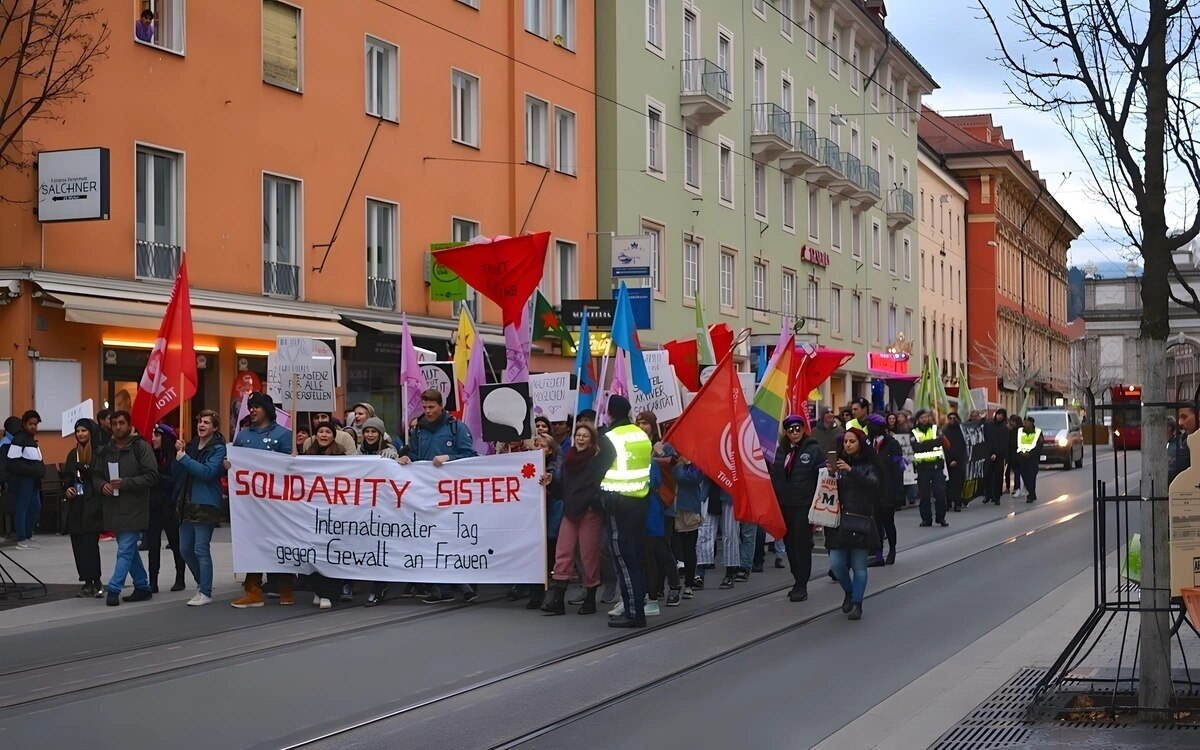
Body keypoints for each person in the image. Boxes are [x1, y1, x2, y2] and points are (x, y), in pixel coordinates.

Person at [402, 389, 479, 604]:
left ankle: (460, 583)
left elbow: (470, 456)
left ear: (441, 406)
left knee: (452, 538)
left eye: (431, 407)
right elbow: (417, 455)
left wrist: (449, 457)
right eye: (424, 407)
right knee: (432, 538)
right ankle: (444, 587)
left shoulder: (456, 428)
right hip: (427, 493)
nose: (427, 411)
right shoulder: (418, 430)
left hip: (452, 494)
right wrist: (408, 458)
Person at [230, 392, 295, 608]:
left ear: (267, 409)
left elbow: (290, 468)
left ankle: (285, 586)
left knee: (278, 542)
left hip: (276, 503)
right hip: (249, 502)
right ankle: (253, 589)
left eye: (257, 406)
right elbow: (236, 464)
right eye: (250, 407)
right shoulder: (243, 436)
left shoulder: (285, 435)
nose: (252, 410)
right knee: (252, 543)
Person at [597, 395, 653, 628]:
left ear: (610, 413)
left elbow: (597, 471)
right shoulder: (641, 435)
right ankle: (635, 607)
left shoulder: (610, 437)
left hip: (617, 504)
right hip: (640, 501)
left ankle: (634, 612)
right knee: (635, 559)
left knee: (624, 560)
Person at [95, 411, 159, 606]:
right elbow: (96, 474)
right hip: (113, 506)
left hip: (135, 507)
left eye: (121, 423)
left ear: (129, 424)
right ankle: (142, 586)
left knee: (124, 550)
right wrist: (101, 485)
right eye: (114, 423)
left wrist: (126, 483)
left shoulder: (141, 447)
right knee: (128, 549)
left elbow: (152, 476)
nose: (118, 427)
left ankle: (114, 589)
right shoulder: (106, 449)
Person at [544, 423, 605, 615]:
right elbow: (562, 490)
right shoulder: (568, 460)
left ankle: (590, 599)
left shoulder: (596, 461)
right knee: (563, 553)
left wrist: (595, 502)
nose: (580, 438)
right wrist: (551, 483)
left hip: (589, 512)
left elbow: (602, 486)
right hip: (570, 511)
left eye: (585, 436)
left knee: (588, 556)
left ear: (592, 440)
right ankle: (558, 600)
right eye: (578, 435)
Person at [826, 428, 880, 621]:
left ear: (860, 444)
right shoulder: (838, 463)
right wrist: (829, 474)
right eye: (846, 442)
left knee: (859, 566)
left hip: (860, 519)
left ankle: (857, 603)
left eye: (852, 441)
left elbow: (874, 485)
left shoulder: (868, 465)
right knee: (837, 564)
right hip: (838, 521)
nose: (847, 445)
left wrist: (851, 471)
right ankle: (849, 591)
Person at [173, 410, 226, 606]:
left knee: (200, 548)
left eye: (206, 422)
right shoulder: (193, 443)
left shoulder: (218, 448)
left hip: (205, 503)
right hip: (186, 502)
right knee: (185, 549)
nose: (201, 425)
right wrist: (179, 453)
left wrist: (185, 458)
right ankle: (200, 583)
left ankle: (205, 591)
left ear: (214, 427)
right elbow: (178, 470)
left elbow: (207, 473)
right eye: (200, 422)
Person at [770, 415, 822, 602]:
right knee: (790, 544)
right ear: (786, 432)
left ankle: (802, 584)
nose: (795, 432)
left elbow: (822, 474)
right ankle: (796, 578)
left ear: (803, 430)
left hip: (804, 504)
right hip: (785, 504)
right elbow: (775, 475)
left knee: (802, 544)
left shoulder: (813, 449)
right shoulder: (781, 451)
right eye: (791, 429)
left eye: (798, 428)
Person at [636, 411, 679, 612]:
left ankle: (675, 586)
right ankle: (653, 590)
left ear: (653, 425)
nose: (642, 426)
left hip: (663, 505)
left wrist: (660, 453)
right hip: (644, 506)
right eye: (638, 423)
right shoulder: (636, 446)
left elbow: (674, 471)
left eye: (645, 423)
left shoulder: (665, 445)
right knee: (648, 552)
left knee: (662, 549)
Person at [63, 418, 104, 597]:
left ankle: (96, 580)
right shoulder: (73, 454)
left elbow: (99, 475)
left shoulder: (99, 452)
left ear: (91, 432)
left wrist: (85, 469)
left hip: (92, 504)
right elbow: (66, 477)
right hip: (77, 504)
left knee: (90, 544)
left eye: (84, 430)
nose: (80, 434)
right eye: (78, 431)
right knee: (78, 543)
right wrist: (67, 488)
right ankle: (86, 581)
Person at [147, 424, 186, 593]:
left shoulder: (175, 457)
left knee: (175, 543)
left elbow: (176, 480)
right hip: (153, 506)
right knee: (153, 545)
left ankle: (180, 577)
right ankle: (152, 580)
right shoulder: (150, 456)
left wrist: (158, 478)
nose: (153, 438)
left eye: (157, 435)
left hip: (170, 506)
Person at [866, 413, 905, 566]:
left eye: (870, 425)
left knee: (888, 521)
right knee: (875, 523)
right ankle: (878, 554)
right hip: (872, 490)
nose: (868, 428)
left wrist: (898, 493)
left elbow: (898, 469)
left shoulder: (892, 444)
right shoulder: (868, 444)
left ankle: (892, 549)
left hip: (888, 489)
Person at [7, 410, 45, 549]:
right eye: (30, 424)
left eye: (35, 424)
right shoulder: (19, 439)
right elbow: (14, 462)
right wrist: (32, 471)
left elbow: (37, 461)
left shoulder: (32, 441)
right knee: (22, 507)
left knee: (35, 507)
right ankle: (21, 538)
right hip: (23, 480)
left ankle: (28, 535)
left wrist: (40, 471)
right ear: (24, 424)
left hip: (34, 480)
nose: (33, 427)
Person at [912, 409, 949, 527]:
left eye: (926, 417)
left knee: (940, 493)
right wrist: (932, 443)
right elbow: (916, 447)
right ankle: (926, 519)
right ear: (918, 419)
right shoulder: (914, 431)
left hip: (937, 466)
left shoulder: (935, 428)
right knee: (924, 495)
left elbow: (940, 441)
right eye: (922, 417)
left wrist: (925, 444)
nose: (924, 419)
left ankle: (941, 517)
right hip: (922, 468)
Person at [983, 408, 1010, 505]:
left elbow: (1004, 443)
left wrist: (996, 454)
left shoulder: (1005, 429)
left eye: (1002, 415)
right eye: (999, 414)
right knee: (987, 475)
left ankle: (997, 497)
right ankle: (988, 495)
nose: (1000, 417)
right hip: (988, 454)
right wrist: (989, 453)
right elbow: (985, 439)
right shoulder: (988, 425)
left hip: (999, 456)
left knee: (998, 476)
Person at [1015, 416, 1044, 503]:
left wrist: (1030, 453)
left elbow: (1039, 445)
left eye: (1026, 422)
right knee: (1024, 476)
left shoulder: (1037, 432)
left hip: (1032, 458)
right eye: (1024, 422)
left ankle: (1030, 495)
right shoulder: (1020, 431)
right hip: (1022, 457)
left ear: (1031, 423)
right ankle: (1031, 493)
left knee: (1031, 477)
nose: (1025, 424)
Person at [944, 412, 967, 512]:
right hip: (947, 461)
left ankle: (957, 503)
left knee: (958, 483)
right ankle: (948, 502)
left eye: (954, 418)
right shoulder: (944, 431)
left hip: (958, 461)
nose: (952, 420)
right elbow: (943, 447)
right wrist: (949, 460)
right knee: (947, 483)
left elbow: (962, 447)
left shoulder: (961, 431)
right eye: (950, 418)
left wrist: (956, 460)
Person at [1168, 406, 1196, 483]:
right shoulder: (1184, 439)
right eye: (1178, 418)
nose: (1180, 422)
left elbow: (1174, 470)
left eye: (1184, 417)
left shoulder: (1190, 441)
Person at [1006, 415, 1024, 496]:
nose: (1010, 422)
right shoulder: (1010, 431)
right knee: (1014, 472)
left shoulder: (1020, 431)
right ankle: (1015, 487)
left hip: (1019, 455)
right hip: (1011, 455)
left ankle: (1018, 487)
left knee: (1018, 472)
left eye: (1012, 421)